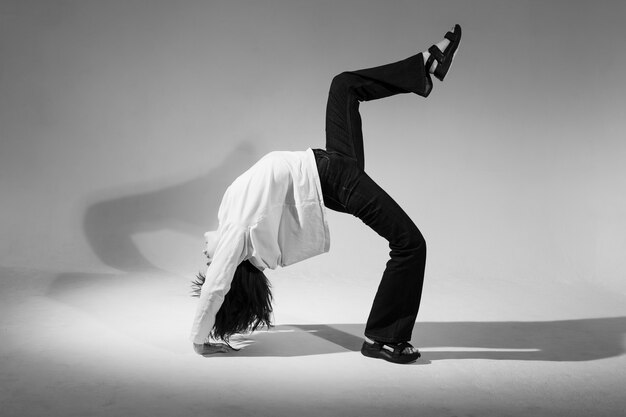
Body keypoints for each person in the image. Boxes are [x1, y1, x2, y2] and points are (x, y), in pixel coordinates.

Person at [190, 25, 462, 364]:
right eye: (209, 262)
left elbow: (218, 283)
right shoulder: (237, 234)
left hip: (329, 167)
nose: (204, 256)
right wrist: (199, 340)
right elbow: (216, 287)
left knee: (344, 85)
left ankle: (425, 65)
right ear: (228, 268)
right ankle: (384, 338)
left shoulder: (228, 210)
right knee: (410, 243)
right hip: (335, 179)